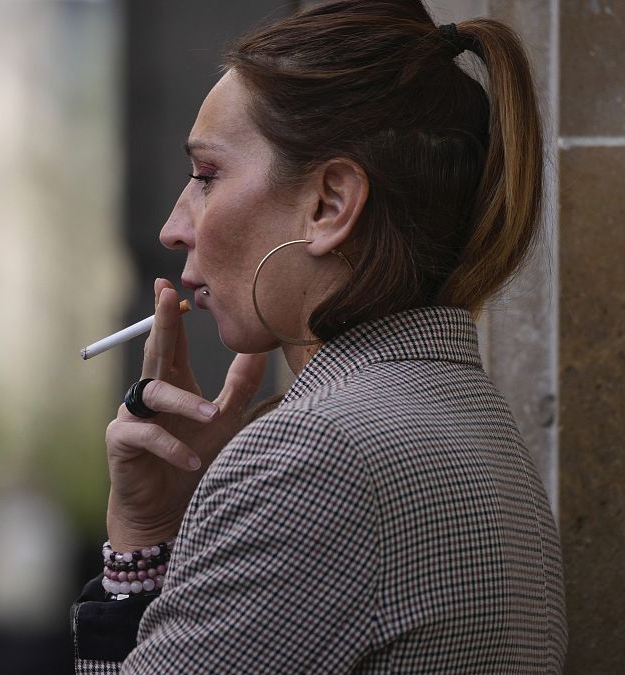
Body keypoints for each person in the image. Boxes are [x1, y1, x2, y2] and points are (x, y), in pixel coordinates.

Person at [71, 1, 567, 672]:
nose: (173, 226)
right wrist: (157, 530)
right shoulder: (478, 423)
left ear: (329, 204)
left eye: (208, 176)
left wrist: (145, 545)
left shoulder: (312, 457)